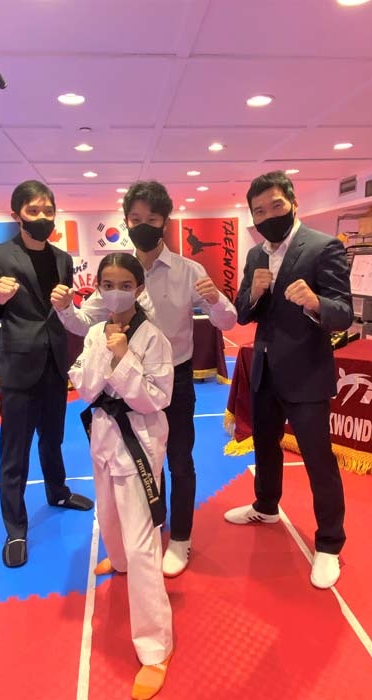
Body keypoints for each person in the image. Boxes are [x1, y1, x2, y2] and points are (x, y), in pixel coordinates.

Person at [51, 181, 237, 577]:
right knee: (139, 465)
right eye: (135, 219)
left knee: (179, 460)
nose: (143, 226)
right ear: (126, 222)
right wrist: (65, 309)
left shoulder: (188, 271)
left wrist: (216, 299)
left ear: (165, 222)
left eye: (151, 219)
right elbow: (85, 323)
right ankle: (148, 535)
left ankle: (181, 539)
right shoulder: (121, 270)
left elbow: (227, 322)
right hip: (124, 383)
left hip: (174, 380)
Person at [223, 171, 353, 589]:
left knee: (318, 459)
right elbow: (243, 313)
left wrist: (315, 302)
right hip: (264, 369)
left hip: (307, 373)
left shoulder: (322, 247)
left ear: (294, 203)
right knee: (265, 446)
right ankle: (265, 506)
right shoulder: (255, 255)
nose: (267, 216)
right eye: (258, 211)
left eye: (275, 206)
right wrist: (254, 294)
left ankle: (329, 543)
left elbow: (344, 313)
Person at [0, 180, 93, 568]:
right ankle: (15, 528)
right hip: (19, 369)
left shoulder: (62, 259)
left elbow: (61, 312)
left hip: (55, 363)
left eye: (48, 210)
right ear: (17, 215)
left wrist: (68, 303)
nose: (42, 217)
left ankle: (57, 492)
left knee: (53, 439)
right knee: (15, 452)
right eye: (34, 210)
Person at [70, 252, 173, 700]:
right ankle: (119, 559)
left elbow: (156, 399)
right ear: (98, 288)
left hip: (139, 442)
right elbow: (83, 386)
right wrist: (105, 357)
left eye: (125, 285)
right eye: (107, 284)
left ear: (139, 288)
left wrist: (123, 357)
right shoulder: (95, 332)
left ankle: (155, 649)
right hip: (103, 435)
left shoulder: (153, 338)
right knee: (108, 514)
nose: (115, 292)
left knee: (143, 543)